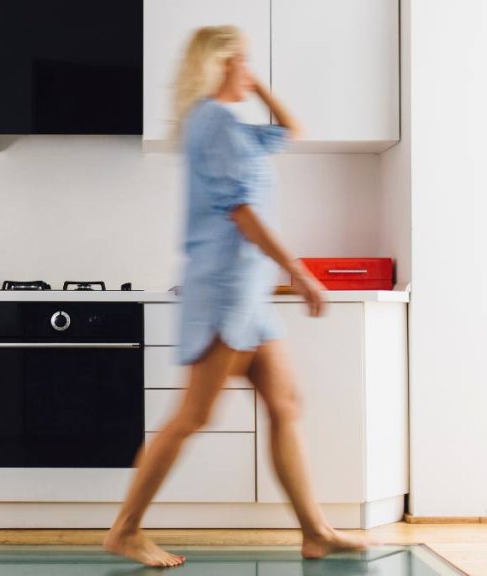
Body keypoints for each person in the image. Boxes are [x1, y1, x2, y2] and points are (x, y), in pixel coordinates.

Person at [103, 25, 371, 568]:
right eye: (241, 60)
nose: (249, 69)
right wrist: (299, 271)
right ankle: (125, 530)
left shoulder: (230, 123)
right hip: (226, 290)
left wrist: (256, 84)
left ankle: (315, 530)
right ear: (218, 63)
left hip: (247, 294)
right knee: (192, 416)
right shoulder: (217, 123)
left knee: (285, 404)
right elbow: (243, 210)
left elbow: (292, 130)